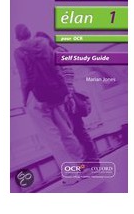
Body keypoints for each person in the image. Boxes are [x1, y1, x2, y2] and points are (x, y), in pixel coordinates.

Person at [14, 24, 84, 182]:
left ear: (17, 37)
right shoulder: (45, 45)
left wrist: (24, 99)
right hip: (55, 94)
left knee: (52, 138)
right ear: (30, 32)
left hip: (37, 98)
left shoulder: (19, 52)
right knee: (66, 132)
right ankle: (80, 166)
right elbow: (56, 70)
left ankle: (71, 176)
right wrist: (65, 92)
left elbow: (25, 80)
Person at [35, 31, 99, 164]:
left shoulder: (58, 51)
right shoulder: (50, 54)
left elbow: (69, 73)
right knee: (72, 131)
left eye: (41, 42)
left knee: (79, 129)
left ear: (47, 40)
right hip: (62, 97)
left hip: (68, 96)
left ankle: (93, 160)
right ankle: (86, 160)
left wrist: (68, 95)